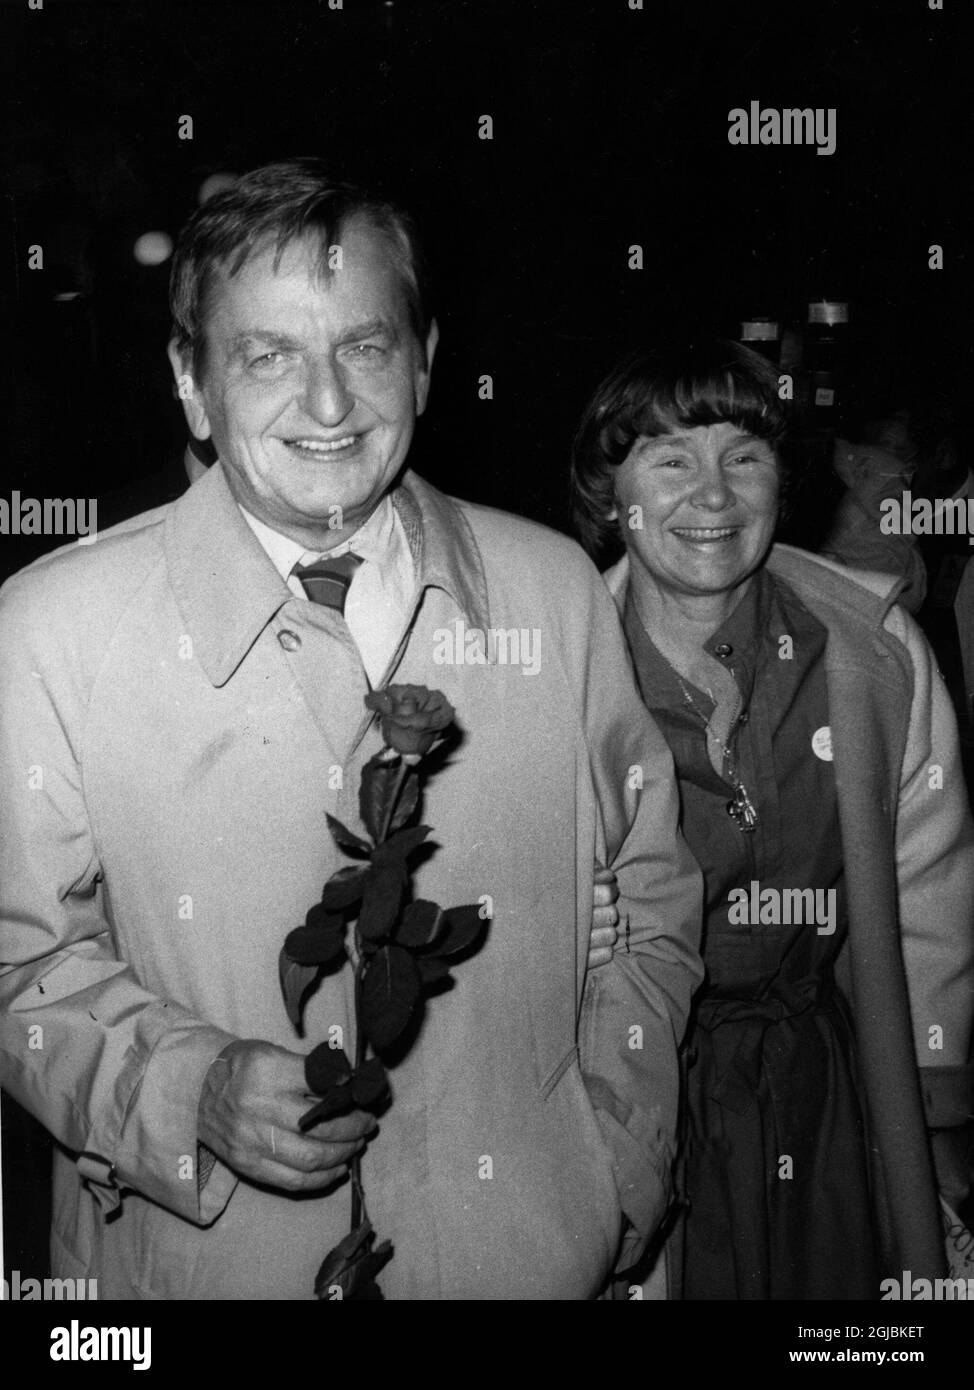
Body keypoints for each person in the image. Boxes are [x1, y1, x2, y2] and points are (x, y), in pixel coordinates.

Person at [0, 160, 702, 1300]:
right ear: (189, 381)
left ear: (423, 362)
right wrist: (190, 1088)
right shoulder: (49, 632)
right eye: (268, 354)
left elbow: (655, 900)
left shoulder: (554, 593)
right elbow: (19, 964)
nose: (328, 406)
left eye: (365, 348)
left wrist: (613, 1167)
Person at [571, 338, 974, 1299]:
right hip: (635, 1087)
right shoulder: (557, 674)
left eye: (743, 458)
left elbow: (929, 886)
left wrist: (941, 1109)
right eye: (671, 460)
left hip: (823, 1088)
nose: (714, 496)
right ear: (609, 492)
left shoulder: (869, 652)